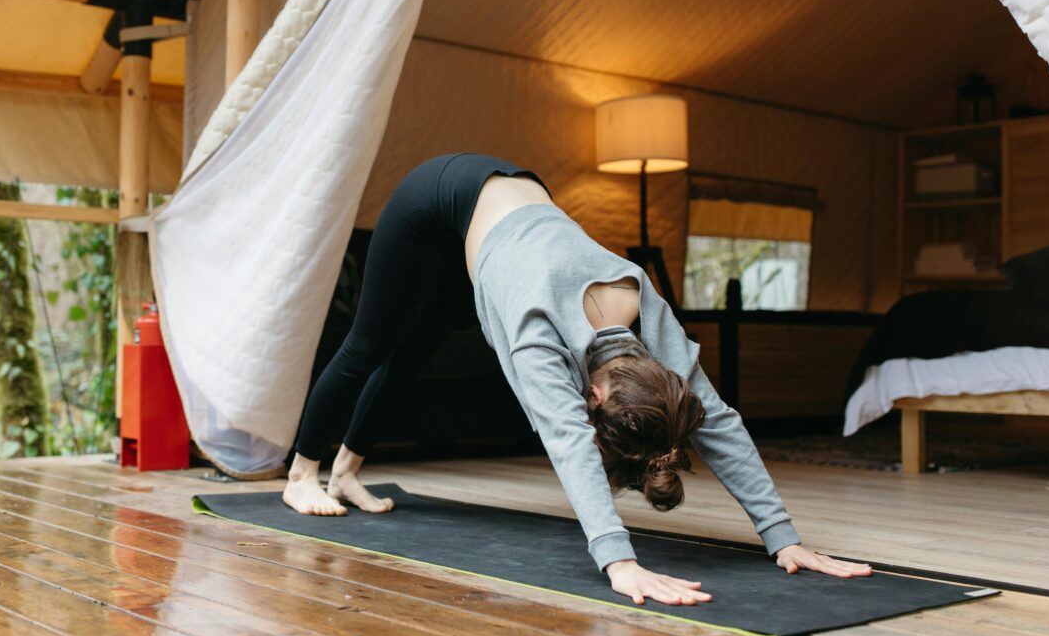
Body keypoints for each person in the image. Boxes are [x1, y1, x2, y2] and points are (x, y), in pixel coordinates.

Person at [283, 152, 871, 606]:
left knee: (412, 354)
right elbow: (568, 442)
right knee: (370, 344)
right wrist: (619, 560)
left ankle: (346, 474)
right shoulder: (538, 333)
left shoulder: (644, 306)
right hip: (439, 195)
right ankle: (302, 475)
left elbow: (717, 419)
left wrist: (781, 536)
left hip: (506, 213)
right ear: (593, 395)